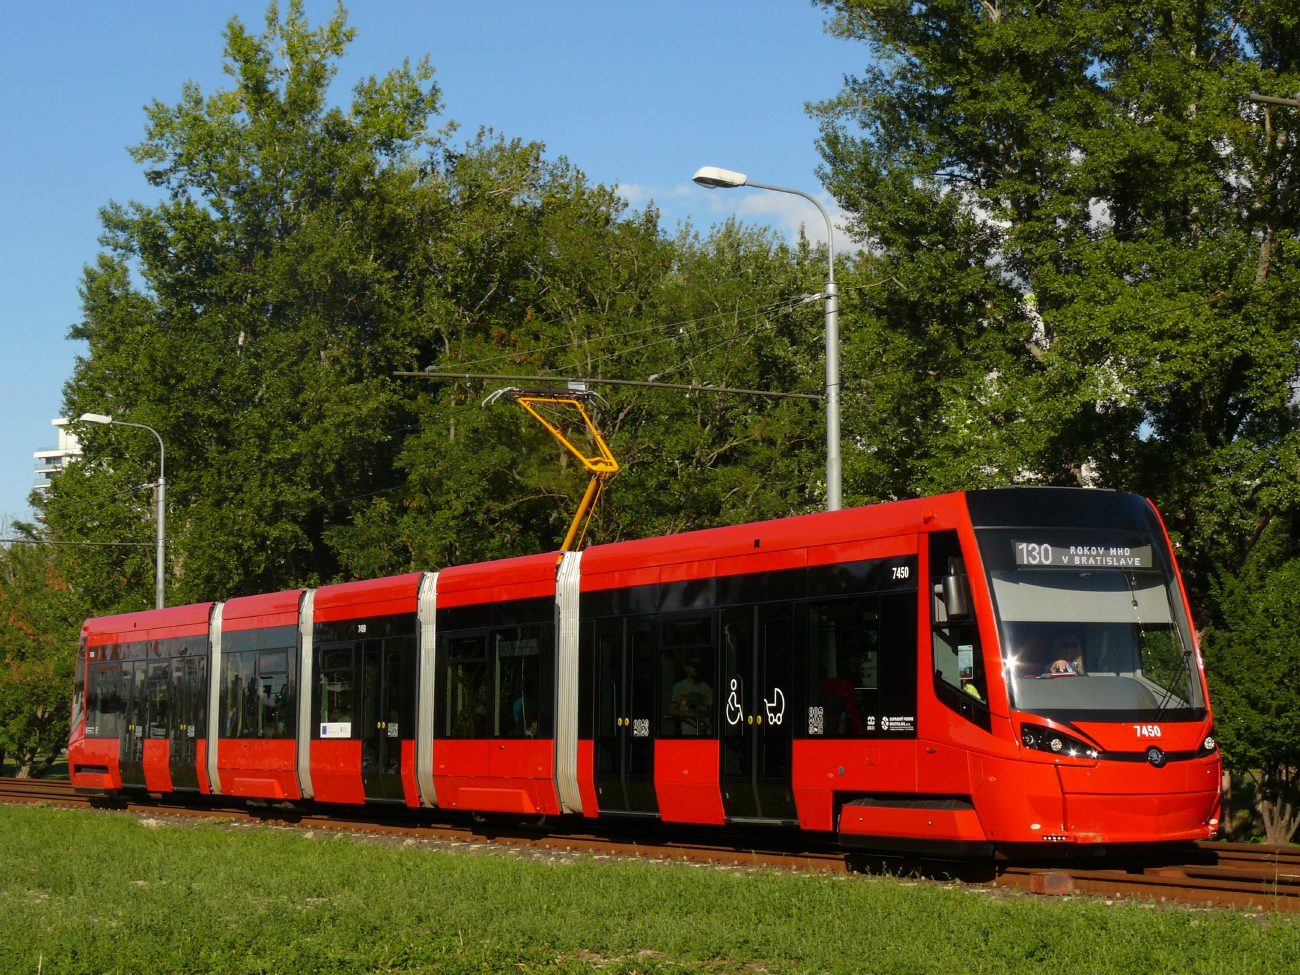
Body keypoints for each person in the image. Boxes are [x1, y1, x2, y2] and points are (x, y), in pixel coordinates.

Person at [669, 657, 713, 735]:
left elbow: (712, 709)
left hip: (705, 733)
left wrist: (702, 712)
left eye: (697, 666)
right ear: (686, 667)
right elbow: (673, 710)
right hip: (688, 734)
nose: (695, 668)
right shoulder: (680, 686)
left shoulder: (706, 688)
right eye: (693, 666)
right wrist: (690, 714)